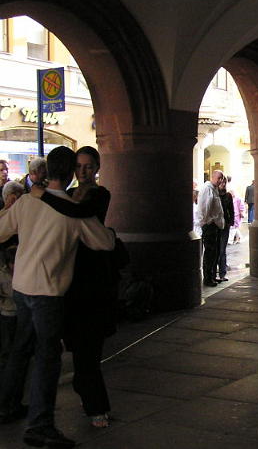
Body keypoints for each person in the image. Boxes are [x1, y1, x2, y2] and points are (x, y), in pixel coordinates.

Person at [0, 145, 115, 448]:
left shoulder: (27, 202)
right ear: (70, 173)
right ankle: (40, 425)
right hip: (48, 293)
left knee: (21, 348)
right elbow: (105, 242)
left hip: (21, 287)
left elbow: (1, 230)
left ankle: (6, 405)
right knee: (47, 358)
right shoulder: (72, 211)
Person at [33, 146, 116, 428]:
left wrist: (43, 195)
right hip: (69, 275)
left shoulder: (99, 195)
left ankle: (96, 405)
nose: (83, 171)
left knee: (88, 349)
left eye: (88, 166)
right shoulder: (67, 195)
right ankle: (87, 393)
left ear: (97, 168)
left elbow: (78, 213)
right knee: (78, 346)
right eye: (78, 166)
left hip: (92, 278)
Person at [196, 170, 225, 287]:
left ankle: (212, 275)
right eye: (219, 178)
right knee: (209, 252)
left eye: (222, 178)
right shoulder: (207, 189)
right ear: (213, 177)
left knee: (214, 253)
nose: (220, 180)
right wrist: (207, 221)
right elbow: (204, 208)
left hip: (215, 225)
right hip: (209, 225)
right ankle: (207, 278)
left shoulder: (214, 189)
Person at [0, 245, 16, 380]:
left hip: (22, 313)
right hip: (7, 313)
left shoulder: (24, 271)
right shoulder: (2, 274)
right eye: (12, 263)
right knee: (7, 347)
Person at [217, 176, 234, 282]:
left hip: (225, 225)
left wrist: (231, 221)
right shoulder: (214, 194)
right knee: (216, 249)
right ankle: (213, 273)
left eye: (225, 182)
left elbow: (231, 209)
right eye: (221, 182)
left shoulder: (228, 195)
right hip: (215, 225)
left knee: (222, 250)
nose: (223, 184)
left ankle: (222, 273)